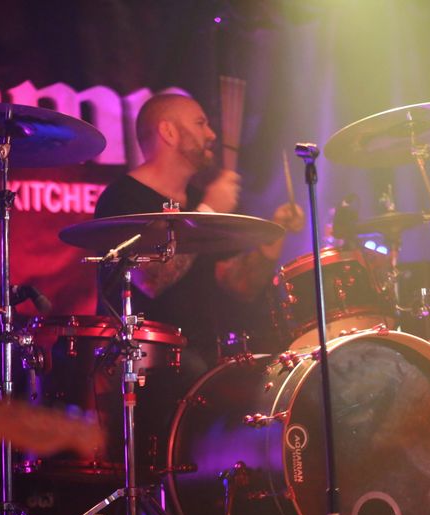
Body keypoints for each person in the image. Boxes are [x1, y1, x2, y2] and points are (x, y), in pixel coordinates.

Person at [94, 93, 305, 375]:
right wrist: (207, 212)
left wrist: (273, 238)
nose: (212, 134)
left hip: (203, 361)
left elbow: (240, 284)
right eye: (200, 123)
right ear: (168, 132)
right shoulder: (122, 199)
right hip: (142, 362)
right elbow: (150, 280)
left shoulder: (197, 198)